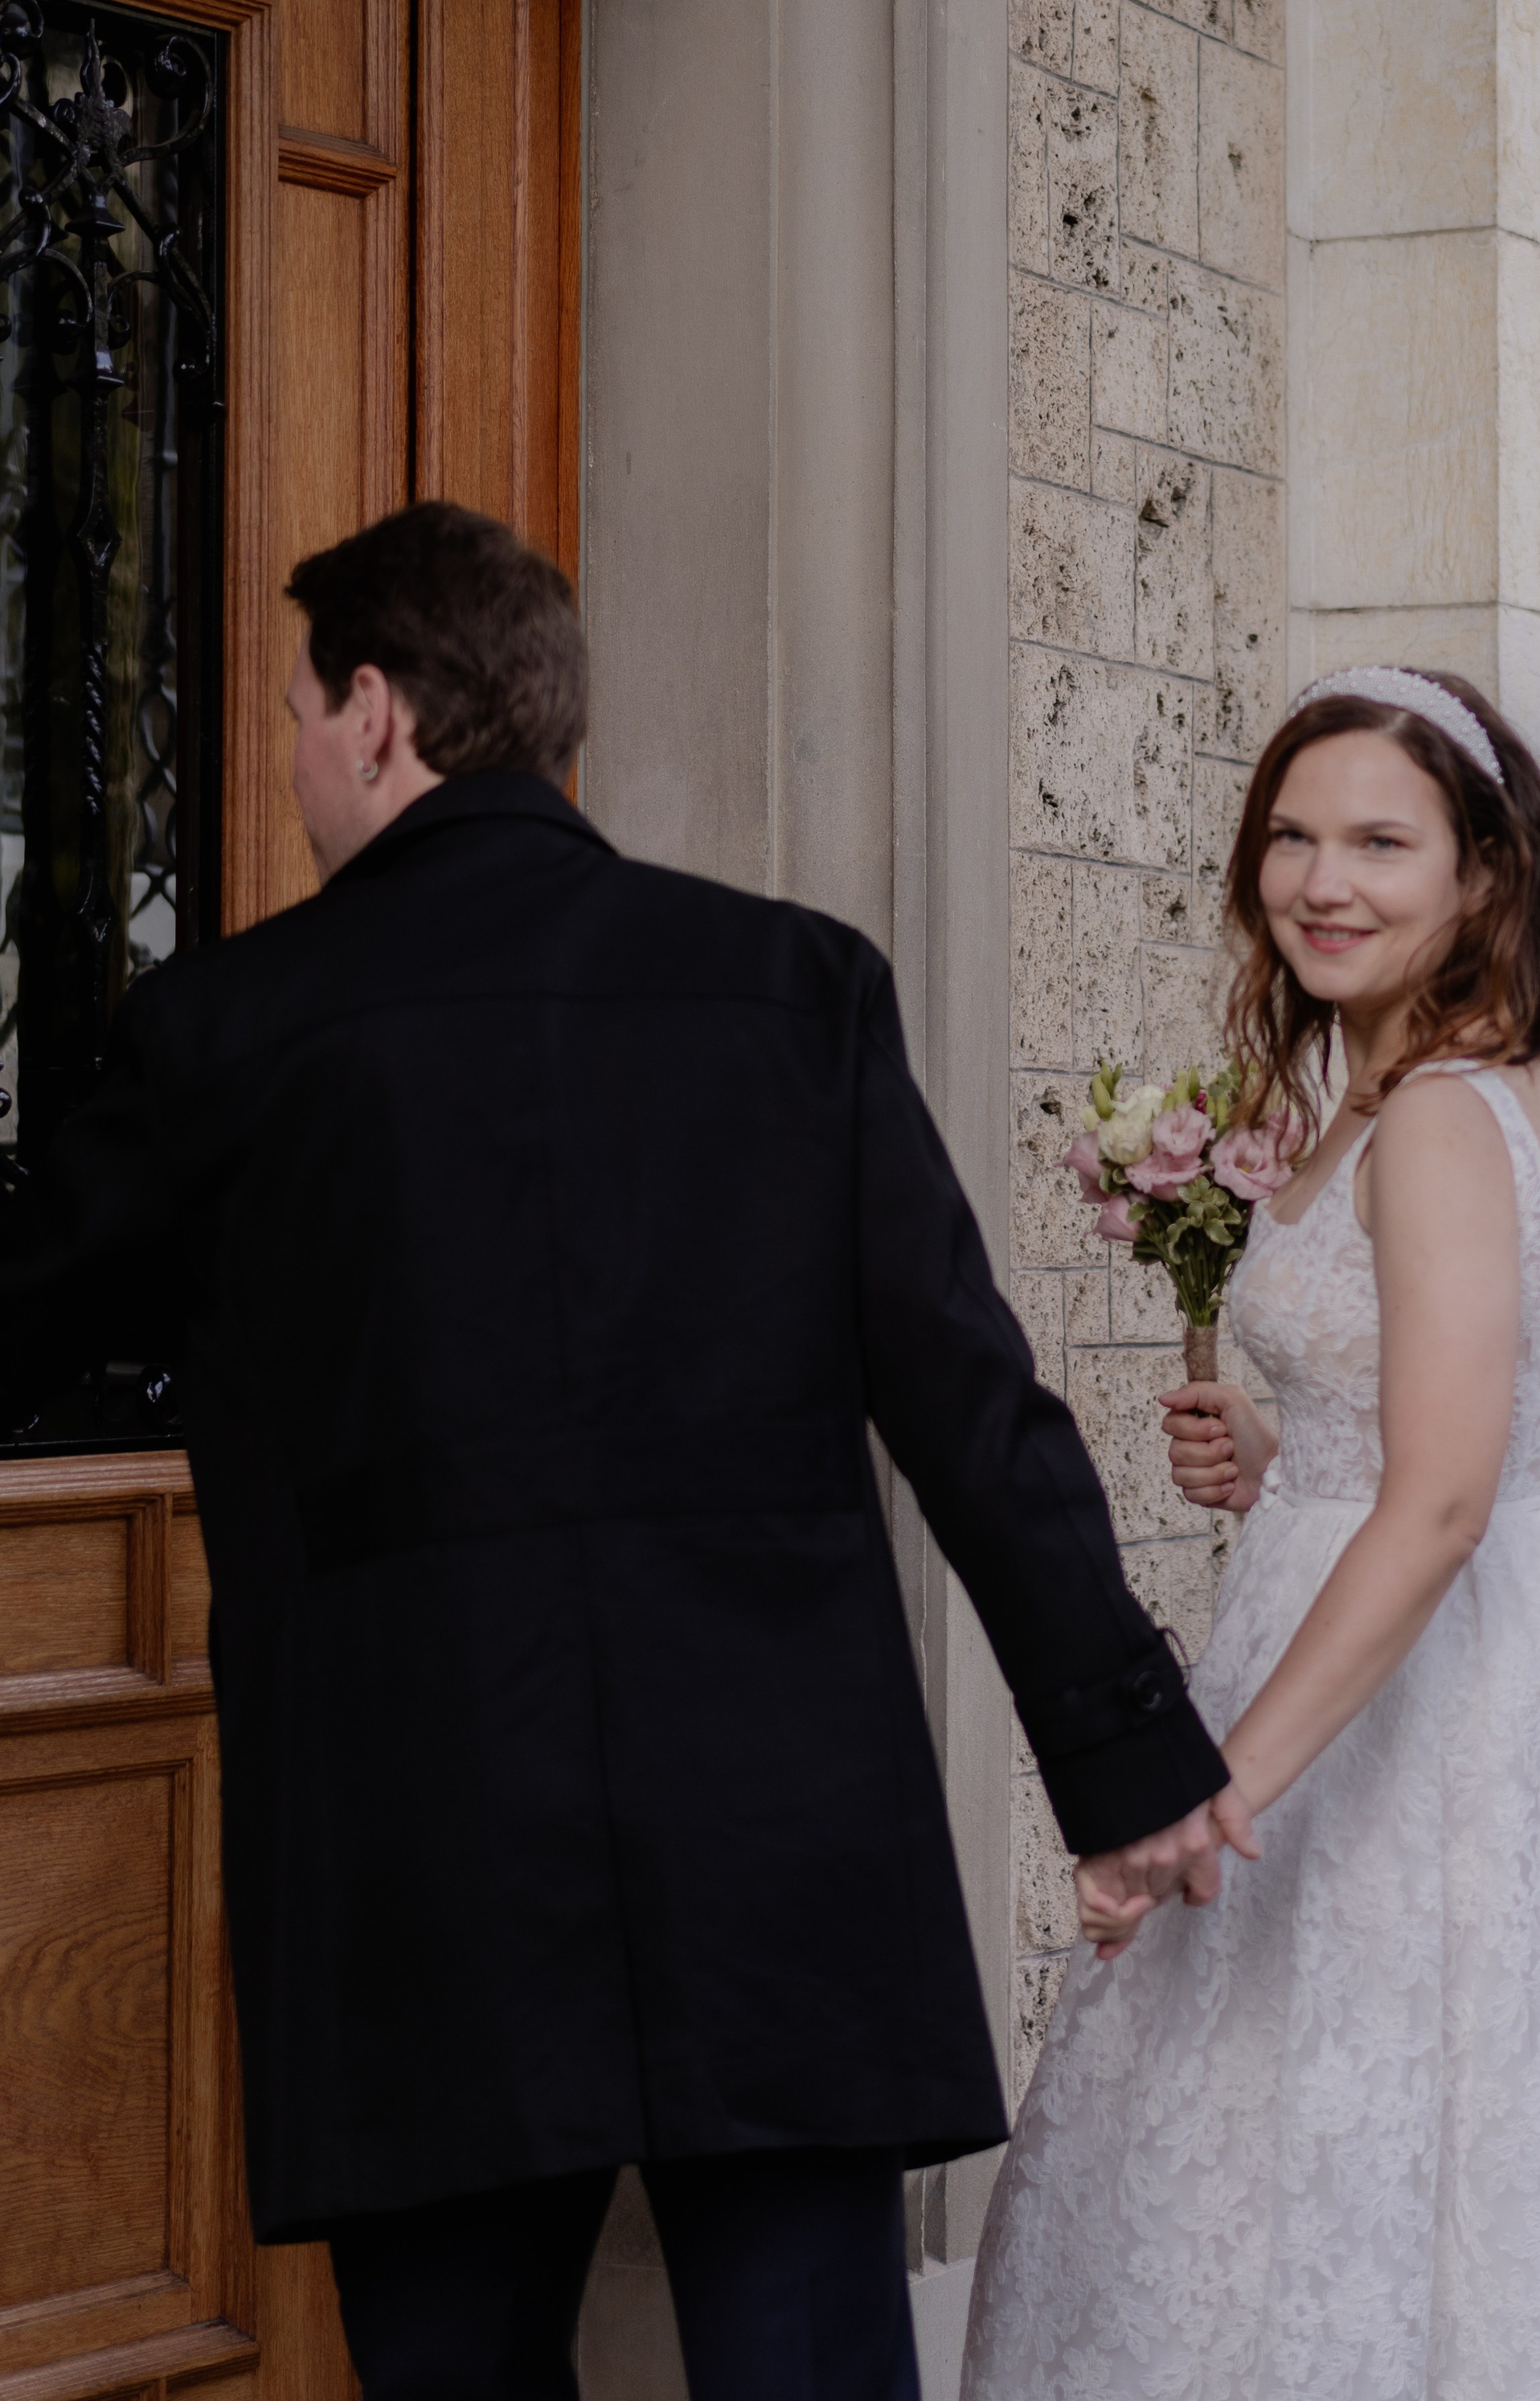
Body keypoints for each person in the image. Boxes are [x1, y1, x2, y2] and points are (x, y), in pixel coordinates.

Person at [0, 501, 1231, 2401]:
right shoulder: (795, 988)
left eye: (298, 719)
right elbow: (971, 1405)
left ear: (377, 714)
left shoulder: (225, 1032)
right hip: (780, 1826)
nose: (297, 766)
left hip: (423, 1845)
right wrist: (1125, 1759)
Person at [964, 667, 1540, 2400]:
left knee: (1300, 2149)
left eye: (1378, 843)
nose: (1320, 881)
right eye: (1291, 836)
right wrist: (1306, 1446)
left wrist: (1212, 1798)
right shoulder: (1528, 1078)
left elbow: (1444, 1500)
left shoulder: (1431, 1118)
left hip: (1410, 1712)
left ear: (1483, 871)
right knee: (1469, 2159)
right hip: (1521, 1682)